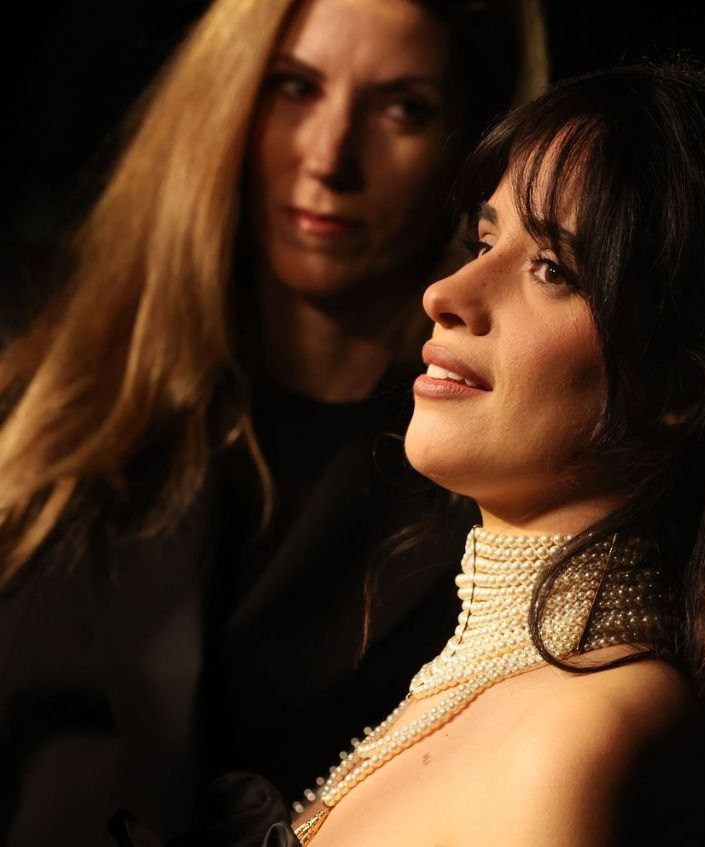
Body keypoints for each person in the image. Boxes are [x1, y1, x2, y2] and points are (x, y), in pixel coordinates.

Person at [278, 60, 705, 846]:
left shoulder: (576, 741)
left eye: (551, 270)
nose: (446, 294)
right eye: (484, 239)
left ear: (686, 383)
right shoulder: (515, 692)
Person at [0, 0, 546, 843]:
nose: (329, 157)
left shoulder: (491, 500)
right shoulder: (50, 376)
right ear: (228, 96)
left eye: (404, 109)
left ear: (471, 149)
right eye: (294, 87)